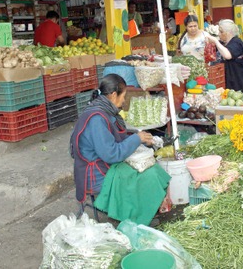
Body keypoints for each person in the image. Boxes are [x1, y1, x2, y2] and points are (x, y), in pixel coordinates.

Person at [70, 74, 169, 225]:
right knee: (143, 176)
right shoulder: (96, 119)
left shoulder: (105, 111)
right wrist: (136, 139)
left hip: (106, 164)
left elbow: (116, 139)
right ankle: (134, 220)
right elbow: (111, 154)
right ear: (114, 94)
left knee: (153, 169)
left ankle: (143, 213)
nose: (124, 100)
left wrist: (138, 138)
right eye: (123, 96)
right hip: (97, 173)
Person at [208, 19, 243, 92]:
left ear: (228, 33)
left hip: (236, 86)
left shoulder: (237, 43)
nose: (219, 34)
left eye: (221, 31)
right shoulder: (223, 43)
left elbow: (228, 55)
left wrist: (216, 41)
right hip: (224, 84)